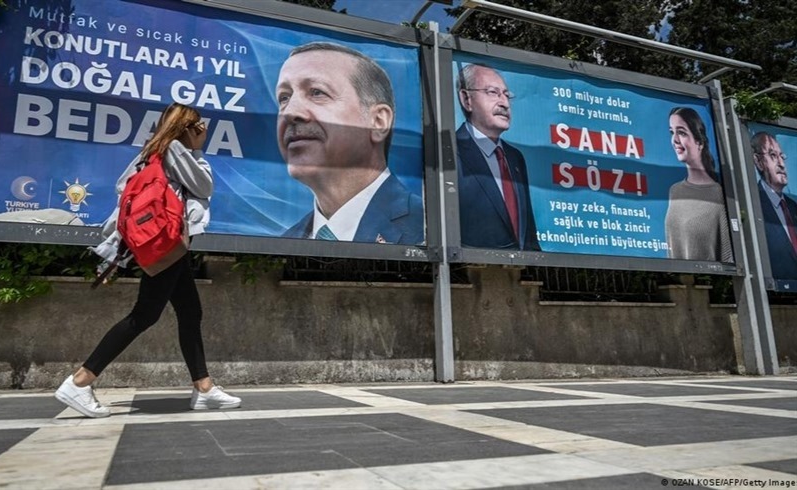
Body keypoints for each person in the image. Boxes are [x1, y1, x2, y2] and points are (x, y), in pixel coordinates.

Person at [54, 102, 241, 418]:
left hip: (164, 242)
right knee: (144, 315)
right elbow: (204, 185)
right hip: (164, 241)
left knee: (190, 311)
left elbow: (122, 188)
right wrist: (196, 150)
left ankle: (204, 387)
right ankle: (80, 381)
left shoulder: (150, 152)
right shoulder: (176, 150)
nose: (204, 130)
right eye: (199, 126)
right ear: (187, 128)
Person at [276, 41, 424, 244]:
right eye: (284, 97)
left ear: (378, 122)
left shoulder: (427, 227)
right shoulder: (285, 242)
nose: (290, 112)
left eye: (317, 92)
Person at [455, 63, 539, 250]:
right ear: (467, 99)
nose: (505, 104)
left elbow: (528, 235)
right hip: (471, 266)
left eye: (507, 95)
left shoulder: (515, 157)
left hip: (520, 267)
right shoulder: (450, 151)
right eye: (493, 93)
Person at [664, 107, 732, 262]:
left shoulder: (719, 193)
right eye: (672, 132)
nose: (675, 140)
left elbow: (728, 254)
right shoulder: (675, 191)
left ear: (699, 142)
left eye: (681, 133)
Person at [751, 131, 797, 280]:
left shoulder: (793, 207)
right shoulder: (752, 203)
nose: (782, 164)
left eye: (782, 156)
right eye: (773, 156)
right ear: (758, 161)